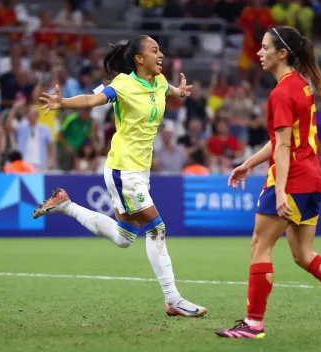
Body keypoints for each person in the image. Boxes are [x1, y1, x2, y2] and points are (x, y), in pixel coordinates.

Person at [215, 26, 321, 340]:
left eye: (264, 48)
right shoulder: (301, 86)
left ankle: (253, 324)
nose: (259, 53)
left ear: (282, 53)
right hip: (312, 179)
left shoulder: (281, 92)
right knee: (303, 254)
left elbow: (285, 147)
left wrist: (282, 190)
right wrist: (248, 163)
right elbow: (282, 140)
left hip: (292, 180)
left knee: (260, 246)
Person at [33, 35, 207, 317]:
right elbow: (92, 99)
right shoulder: (123, 84)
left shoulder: (159, 82)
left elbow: (168, 91)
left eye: (160, 49)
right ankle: (173, 300)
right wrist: (62, 103)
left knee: (125, 236)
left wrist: (180, 92)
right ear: (139, 59)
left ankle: (65, 204)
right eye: (154, 50)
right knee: (157, 229)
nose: (160, 54)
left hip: (140, 170)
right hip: (123, 169)